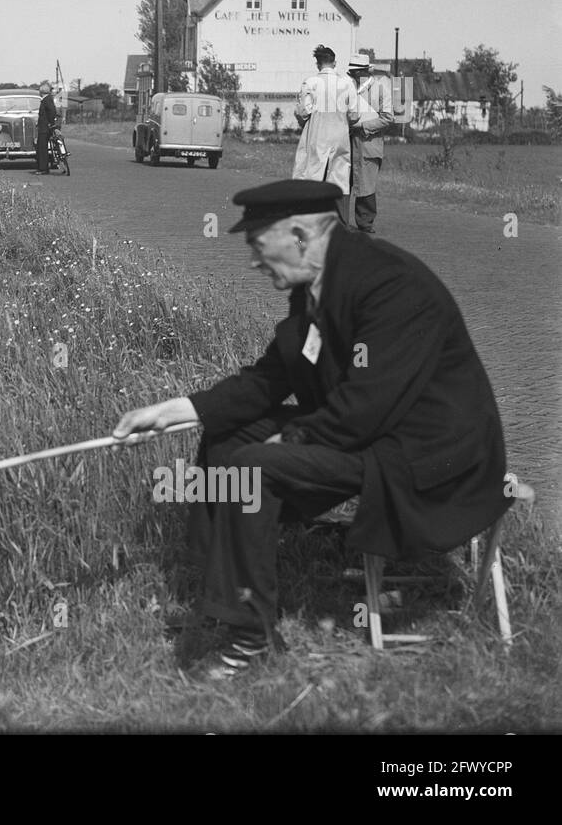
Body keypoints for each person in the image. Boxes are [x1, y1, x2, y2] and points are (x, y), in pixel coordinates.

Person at [111, 179, 511, 680]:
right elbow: (272, 376)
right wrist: (179, 409)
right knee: (230, 436)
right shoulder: (318, 283)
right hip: (372, 432)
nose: (255, 260)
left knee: (252, 466)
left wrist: (289, 442)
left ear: (300, 235)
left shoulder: (390, 284)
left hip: (425, 455)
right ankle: (225, 599)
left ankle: (251, 640)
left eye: (258, 244)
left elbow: (367, 405)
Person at [292, 45, 359, 224]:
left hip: (317, 134)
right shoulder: (347, 83)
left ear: (317, 64)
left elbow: (303, 111)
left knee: (312, 174)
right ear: (335, 62)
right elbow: (354, 114)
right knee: (340, 177)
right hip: (340, 135)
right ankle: (341, 222)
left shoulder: (310, 83)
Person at [345, 53, 394, 234]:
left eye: (357, 71)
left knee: (366, 184)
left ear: (366, 71)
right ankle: (341, 220)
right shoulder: (348, 88)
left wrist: (363, 126)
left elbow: (388, 117)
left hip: (368, 142)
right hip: (349, 142)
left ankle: (365, 222)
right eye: (353, 72)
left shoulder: (381, 89)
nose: (354, 75)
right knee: (345, 182)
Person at [33, 83, 59, 175]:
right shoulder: (47, 99)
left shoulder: (46, 100)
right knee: (41, 147)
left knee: (42, 148)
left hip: (45, 128)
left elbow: (52, 112)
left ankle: (43, 168)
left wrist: (49, 123)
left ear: (41, 92)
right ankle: (43, 167)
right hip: (44, 127)